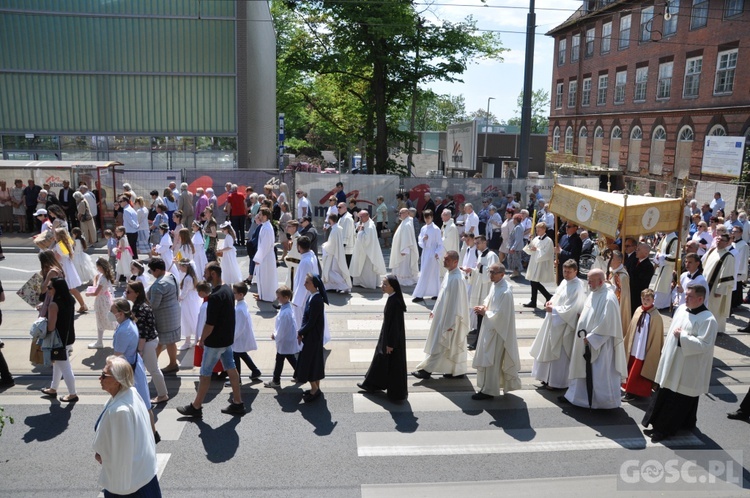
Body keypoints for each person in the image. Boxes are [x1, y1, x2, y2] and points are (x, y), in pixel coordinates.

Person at [642, 285, 717, 442]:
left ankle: (663, 430)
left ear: (700, 299)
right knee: (665, 392)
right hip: (672, 361)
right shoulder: (682, 309)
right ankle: (665, 423)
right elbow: (671, 335)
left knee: (677, 399)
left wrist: (683, 336)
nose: (685, 298)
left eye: (689, 296)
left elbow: (704, 346)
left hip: (687, 368)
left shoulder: (708, 320)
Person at [178, 262, 246, 417]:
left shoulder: (214, 297)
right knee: (231, 368)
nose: (204, 275)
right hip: (227, 339)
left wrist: (202, 339)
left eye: (206, 273)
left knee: (205, 373)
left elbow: (210, 324)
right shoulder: (228, 289)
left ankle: (196, 407)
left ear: (213, 274)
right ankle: (238, 402)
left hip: (215, 342)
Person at [93, 356, 161, 497]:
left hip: (129, 485)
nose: (100, 378)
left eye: (104, 375)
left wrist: (102, 454)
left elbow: (121, 451)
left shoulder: (120, 412)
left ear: (118, 381)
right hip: (142, 476)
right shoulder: (131, 393)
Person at [561, 269, 627, 409]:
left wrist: (592, 338)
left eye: (591, 281)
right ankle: (577, 397)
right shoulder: (595, 291)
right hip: (585, 341)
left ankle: (602, 403)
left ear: (601, 281)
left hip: (600, 346)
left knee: (599, 374)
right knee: (581, 369)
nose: (588, 283)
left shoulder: (609, 298)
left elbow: (608, 323)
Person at [412, 251, 470, 379]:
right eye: (444, 259)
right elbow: (442, 296)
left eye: (447, 260)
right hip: (442, 316)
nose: (444, 261)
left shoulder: (456, 279)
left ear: (455, 262)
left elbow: (456, 304)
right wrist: (435, 310)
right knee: (449, 345)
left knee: (440, 344)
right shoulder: (450, 274)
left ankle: (426, 370)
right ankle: (456, 370)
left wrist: (450, 323)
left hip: (450, 320)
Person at [530, 259, 587, 390]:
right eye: (564, 271)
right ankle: (546, 378)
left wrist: (554, 310)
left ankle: (557, 382)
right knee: (548, 349)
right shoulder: (564, 282)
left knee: (560, 355)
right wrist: (550, 302)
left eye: (569, 272)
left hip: (564, 325)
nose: (566, 274)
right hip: (554, 321)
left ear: (576, 271)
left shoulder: (578, 286)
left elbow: (572, 308)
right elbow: (557, 295)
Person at [471, 263, 522, 399]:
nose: (490, 275)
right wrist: (483, 306)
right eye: (490, 272)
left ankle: (489, 391)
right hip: (490, 328)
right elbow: (489, 300)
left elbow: (502, 315)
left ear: (502, 274)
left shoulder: (506, 291)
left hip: (498, 332)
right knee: (487, 358)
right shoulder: (496, 285)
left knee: (492, 361)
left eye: (493, 272)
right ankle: (485, 387)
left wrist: (485, 312)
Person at [358, 275, 409, 401]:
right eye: (383, 283)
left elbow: (395, 326)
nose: (382, 286)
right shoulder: (393, 298)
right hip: (387, 336)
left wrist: (390, 344)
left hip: (392, 340)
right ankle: (371, 384)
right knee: (380, 359)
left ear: (393, 287)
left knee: (390, 364)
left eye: (385, 284)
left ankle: (394, 393)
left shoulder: (395, 302)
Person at [110, 299, 156, 435]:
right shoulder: (128, 323)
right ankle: (152, 434)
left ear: (120, 313)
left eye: (112, 311)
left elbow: (117, 356)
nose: (111, 314)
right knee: (143, 403)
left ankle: (149, 435)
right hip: (134, 366)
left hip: (129, 370)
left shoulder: (124, 330)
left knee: (139, 404)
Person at [125, 281, 168, 404]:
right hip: (150, 340)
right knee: (148, 369)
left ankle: (162, 394)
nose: (126, 293)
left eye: (129, 291)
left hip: (147, 342)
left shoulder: (139, 308)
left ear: (137, 294)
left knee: (153, 369)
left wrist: (140, 350)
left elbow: (142, 332)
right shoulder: (141, 305)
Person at [621, 289, 664, 401]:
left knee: (641, 368)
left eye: (648, 299)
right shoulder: (638, 310)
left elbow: (656, 337)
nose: (645, 301)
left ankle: (634, 392)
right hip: (634, 345)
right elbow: (631, 328)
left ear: (653, 300)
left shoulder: (656, 316)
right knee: (631, 365)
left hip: (644, 348)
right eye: (643, 299)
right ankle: (629, 388)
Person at [40, 278, 78, 402]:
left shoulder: (53, 305)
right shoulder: (70, 300)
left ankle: (73, 394)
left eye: (50, 287)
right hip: (69, 337)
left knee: (65, 366)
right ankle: (53, 389)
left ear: (57, 289)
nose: (48, 290)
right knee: (58, 364)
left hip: (58, 340)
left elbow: (51, 327)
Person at [296, 274, 328, 402]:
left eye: (307, 282)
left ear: (314, 284)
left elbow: (311, 321)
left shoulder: (316, 300)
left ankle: (315, 389)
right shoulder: (312, 297)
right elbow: (306, 317)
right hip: (312, 336)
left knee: (308, 364)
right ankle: (316, 388)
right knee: (315, 362)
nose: (305, 284)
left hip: (313, 337)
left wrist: (301, 331)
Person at [147, 258, 181, 374]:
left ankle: (157, 365)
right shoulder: (171, 276)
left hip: (164, 318)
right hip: (174, 313)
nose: (151, 274)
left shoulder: (159, 285)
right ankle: (168, 363)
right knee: (168, 342)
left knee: (161, 342)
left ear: (157, 270)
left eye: (151, 271)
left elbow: (153, 305)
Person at [264, 286, 301, 388]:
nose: (277, 299)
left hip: (284, 340)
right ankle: (300, 374)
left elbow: (282, 329)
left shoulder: (286, 312)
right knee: (290, 357)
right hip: (286, 340)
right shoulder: (286, 308)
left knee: (280, 360)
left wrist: (275, 335)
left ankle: (276, 380)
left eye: (279, 297)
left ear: (286, 297)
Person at [467, 235, 500, 336]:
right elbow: (479, 271)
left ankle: (481, 332)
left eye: (478, 243)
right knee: (478, 310)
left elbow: (493, 272)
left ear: (484, 243)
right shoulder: (481, 254)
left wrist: (481, 267)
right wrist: (471, 271)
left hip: (486, 287)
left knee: (484, 310)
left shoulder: (491, 255)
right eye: (475, 243)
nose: (476, 245)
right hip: (479, 286)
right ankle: (478, 328)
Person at [702, 233, 735, 332]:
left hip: (716, 287)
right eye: (718, 239)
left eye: (722, 240)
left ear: (727, 242)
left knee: (715, 308)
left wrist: (719, 290)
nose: (718, 241)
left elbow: (726, 275)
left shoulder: (728, 256)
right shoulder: (712, 250)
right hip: (706, 284)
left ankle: (716, 329)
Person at [53, 228, 88, 313]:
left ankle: (80, 305)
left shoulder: (59, 245)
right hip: (68, 266)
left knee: (67, 288)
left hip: (63, 267)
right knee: (71, 288)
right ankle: (82, 305)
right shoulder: (67, 242)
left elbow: (58, 258)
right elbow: (66, 255)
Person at [231, 282, 261, 382]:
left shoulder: (239, 309)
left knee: (236, 356)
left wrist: (232, 338)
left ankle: (237, 379)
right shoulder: (242, 304)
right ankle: (255, 370)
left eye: (234, 293)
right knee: (242, 354)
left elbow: (239, 328)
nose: (232, 294)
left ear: (241, 295)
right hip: (241, 337)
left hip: (239, 337)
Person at [412, 210, 444, 302]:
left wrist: (437, 253)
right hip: (426, 252)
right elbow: (420, 241)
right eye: (425, 218)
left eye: (428, 218)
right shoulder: (423, 228)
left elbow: (440, 243)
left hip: (433, 253)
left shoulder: (436, 229)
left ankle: (420, 294)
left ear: (432, 217)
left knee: (431, 273)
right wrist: (423, 239)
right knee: (425, 272)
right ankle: (434, 293)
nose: (427, 220)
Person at [351, 210, 387, 289]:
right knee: (360, 266)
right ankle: (359, 282)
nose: (360, 219)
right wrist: (359, 229)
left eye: (361, 217)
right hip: (362, 250)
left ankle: (367, 283)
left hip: (368, 252)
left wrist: (360, 232)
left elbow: (367, 240)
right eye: (359, 217)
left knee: (366, 268)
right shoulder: (365, 223)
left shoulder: (370, 226)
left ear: (367, 216)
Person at [85, 258, 116, 349]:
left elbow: (96, 293)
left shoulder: (103, 278)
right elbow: (97, 279)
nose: (97, 269)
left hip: (101, 301)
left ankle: (99, 342)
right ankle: (102, 341)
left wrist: (88, 294)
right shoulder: (104, 276)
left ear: (101, 267)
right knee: (108, 319)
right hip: (105, 299)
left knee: (101, 320)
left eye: (98, 267)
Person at [523, 222, 554, 308]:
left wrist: (537, 250)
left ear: (544, 229)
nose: (537, 231)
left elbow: (547, 253)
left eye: (539, 230)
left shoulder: (548, 240)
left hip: (541, 263)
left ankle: (546, 296)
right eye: (536, 229)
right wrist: (529, 241)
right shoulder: (536, 238)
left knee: (534, 281)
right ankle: (536, 300)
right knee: (533, 281)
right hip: (534, 262)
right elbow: (529, 249)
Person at [252, 207, 279, 302]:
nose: (258, 216)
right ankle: (262, 293)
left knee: (266, 277)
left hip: (266, 257)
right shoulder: (264, 225)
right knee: (262, 276)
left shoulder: (267, 228)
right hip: (264, 256)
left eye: (260, 215)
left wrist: (258, 258)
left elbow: (265, 246)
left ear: (265, 216)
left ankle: (266, 296)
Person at [322, 214, 352, 293]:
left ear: (330, 220)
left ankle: (344, 285)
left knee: (330, 271)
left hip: (333, 254)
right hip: (337, 253)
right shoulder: (338, 228)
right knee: (335, 271)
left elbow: (332, 245)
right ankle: (333, 287)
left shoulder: (334, 230)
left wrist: (324, 246)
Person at [388, 208, 419, 286]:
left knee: (403, 266)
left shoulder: (407, 224)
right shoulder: (405, 221)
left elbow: (407, 238)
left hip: (404, 250)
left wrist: (404, 250)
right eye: (399, 213)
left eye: (401, 213)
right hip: (401, 248)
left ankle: (404, 279)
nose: (399, 215)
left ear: (407, 213)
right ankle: (398, 278)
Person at [177, 260, 202, 351]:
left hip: (188, 300)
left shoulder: (187, 278)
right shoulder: (192, 276)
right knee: (193, 318)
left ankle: (188, 342)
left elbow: (184, 293)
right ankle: (193, 340)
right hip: (193, 299)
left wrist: (178, 299)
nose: (179, 268)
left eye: (181, 266)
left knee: (187, 319)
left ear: (185, 267)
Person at [608, 250, 632, 336]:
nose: (610, 260)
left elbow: (623, 295)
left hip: (617, 305)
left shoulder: (623, 276)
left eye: (612, 258)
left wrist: (611, 288)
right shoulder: (611, 271)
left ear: (619, 261)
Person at [652, 231, 678, 309]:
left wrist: (663, 257)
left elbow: (674, 255)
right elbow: (659, 249)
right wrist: (658, 255)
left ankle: (663, 304)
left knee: (664, 285)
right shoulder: (665, 237)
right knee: (659, 284)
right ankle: (657, 302)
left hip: (669, 266)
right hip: (662, 265)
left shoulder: (675, 239)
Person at [629, 242, 655, 315]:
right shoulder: (634, 261)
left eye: (638, 250)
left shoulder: (648, 266)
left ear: (646, 253)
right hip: (630, 294)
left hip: (637, 296)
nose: (636, 251)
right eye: (636, 249)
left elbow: (640, 282)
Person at [217, 221, 243, 286]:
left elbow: (230, 247)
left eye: (223, 230)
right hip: (227, 254)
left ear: (227, 229)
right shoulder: (228, 236)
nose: (222, 231)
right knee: (227, 268)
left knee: (229, 267)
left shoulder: (229, 236)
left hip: (229, 255)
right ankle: (228, 281)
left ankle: (230, 281)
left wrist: (221, 250)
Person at [441, 209, 460, 277]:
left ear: (447, 216)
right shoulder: (445, 224)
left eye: (442, 215)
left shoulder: (452, 227)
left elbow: (449, 241)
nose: (441, 217)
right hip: (443, 249)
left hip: (448, 250)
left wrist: (439, 241)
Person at [506, 213, 524, 278]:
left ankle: (516, 272)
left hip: (516, 248)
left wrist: (513, 247)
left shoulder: (518, 227)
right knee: (515, 259)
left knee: (515, 260)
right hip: (515, 247)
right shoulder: (517, 226)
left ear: (516, 220)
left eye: (514, 219)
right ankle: (516, 271)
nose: (513, 220)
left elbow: (518, 239)